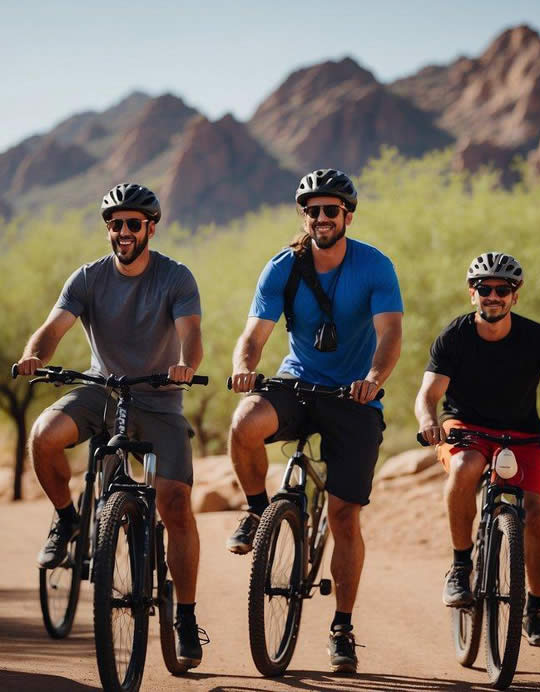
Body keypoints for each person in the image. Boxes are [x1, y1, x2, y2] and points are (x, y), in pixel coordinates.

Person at [15, 183, 207, 667]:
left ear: (150, 228)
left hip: (160, 400)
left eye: (133, 224)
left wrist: (185, 365)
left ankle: (184, 615)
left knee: (177, 504)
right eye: (115, 224)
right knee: (44, 436)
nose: (123, 232)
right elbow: (53, 326)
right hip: (103, 389)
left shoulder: (175, 278)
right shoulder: (87, 278)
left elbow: (192, 336)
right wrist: (34, 355)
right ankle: (66, 519)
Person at [227, 169, 404, 674]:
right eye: (313, 210)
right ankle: (259, 510)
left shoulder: (375, 266)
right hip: (299, 383)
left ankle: (342, 627)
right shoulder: (283, 266)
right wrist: (244, 367)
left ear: (348, 215)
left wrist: (373, 377)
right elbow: (254, 335)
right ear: (303, 216)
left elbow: (390, 334)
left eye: (331, 210)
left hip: (354, 396)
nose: (321, 218)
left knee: (345, 515)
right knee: (244, 423)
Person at [413, 251, 540, 648]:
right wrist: (428, 422)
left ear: (514, 296)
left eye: (502, 290)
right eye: (484, 289)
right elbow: (428, 394)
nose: (493, 295)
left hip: (521, 432)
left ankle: (536, 611)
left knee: (536, 512)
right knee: (465, 468)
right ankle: (460, 567)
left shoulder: (537, 337)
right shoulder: (454, 336)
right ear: (472, 294)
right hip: (465, 427)